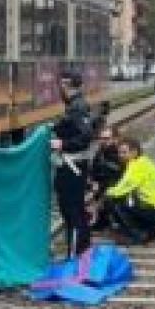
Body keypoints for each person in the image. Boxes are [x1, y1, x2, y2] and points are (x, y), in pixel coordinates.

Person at [51, 73, 97, 257]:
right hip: (73, 165)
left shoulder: (77, 107)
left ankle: (75, 255)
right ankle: (80, 251)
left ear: (66, 85)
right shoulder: (74, 106)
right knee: (73, 209)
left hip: (73, 166)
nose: (59, 89)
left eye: (60, 85)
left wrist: (63, 144)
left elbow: (85, 135)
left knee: (71, 210)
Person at [98, 136, 155, 245]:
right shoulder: (143, 162)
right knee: (126, 200)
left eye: (124, 152)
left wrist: (102, 196)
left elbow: (123, 188)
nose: (120, 155)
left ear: (134, 152)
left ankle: (137, 235)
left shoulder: (137, 166)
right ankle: (151, 229)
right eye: (119, 152)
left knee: (112, 202)